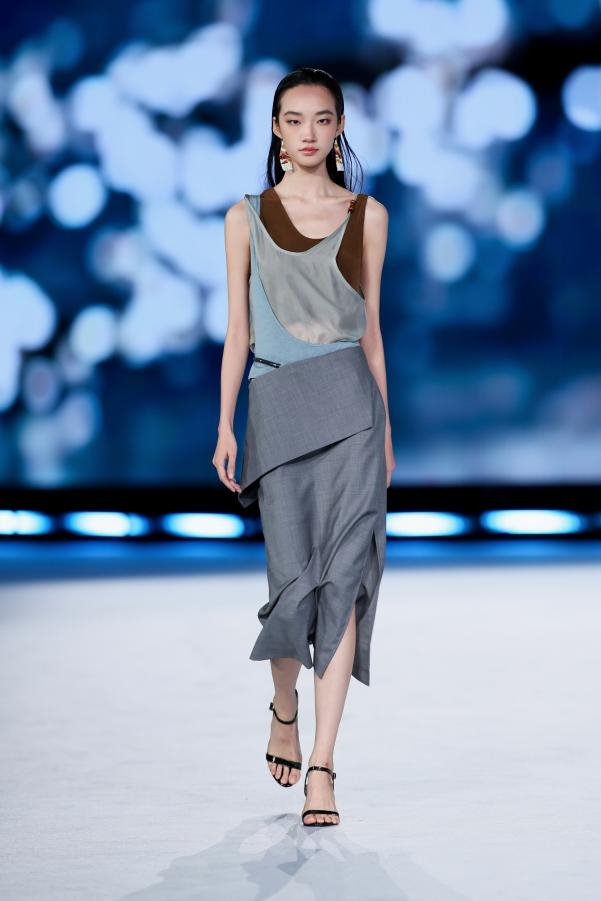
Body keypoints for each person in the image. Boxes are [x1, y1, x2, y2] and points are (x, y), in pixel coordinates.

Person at [213, 67, 394, 827]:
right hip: (279, 409)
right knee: (292, 586)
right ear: (277, 129)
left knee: (343, 582)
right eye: (295, 119)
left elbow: (372, 332)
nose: (309, 132)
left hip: (352, 411)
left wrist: (388, 430)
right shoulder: (245, 217)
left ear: (339, 126)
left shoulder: (368, 214)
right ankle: (283, 707)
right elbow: (238, 331)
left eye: (323, 119)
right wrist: (225, 425)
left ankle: (323, 765)